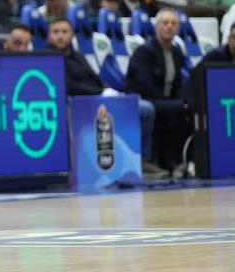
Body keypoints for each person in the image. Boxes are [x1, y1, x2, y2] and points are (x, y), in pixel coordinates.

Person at [47, 17, 165, 177]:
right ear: (49, 36)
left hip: (97, 99)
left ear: (72, 35)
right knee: (145, 109)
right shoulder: (50, 59)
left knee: (146, 109)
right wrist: (100, 93)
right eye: (55, 32)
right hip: (79, 104)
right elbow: (70, 86)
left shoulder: (77, 56)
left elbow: (95, 77)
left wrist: (108, 90)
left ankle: (142, 159)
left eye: (64, 32)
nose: (60, 36)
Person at [125, 8, 188, 169]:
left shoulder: (176, 52)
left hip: (165, 100)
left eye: (173, 23)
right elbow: (143, 85)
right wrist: (170, 102)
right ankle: (167, 160)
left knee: (187, 105)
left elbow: (179, 83)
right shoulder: (145, 51)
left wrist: (180, 98)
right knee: (178, 108)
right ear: (156, 27)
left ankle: (182, 158)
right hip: (145, 98)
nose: (169, 26)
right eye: (165, 23)